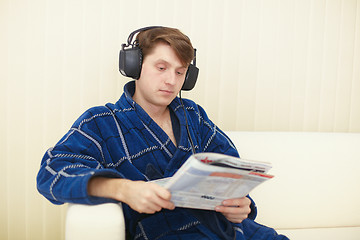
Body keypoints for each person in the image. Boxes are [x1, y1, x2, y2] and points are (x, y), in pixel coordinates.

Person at [37, 26, 288, 240]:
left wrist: (240, 205)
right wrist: (123, 189)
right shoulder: (100, 121)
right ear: (134, 65)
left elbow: (232, 171)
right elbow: (51, 172)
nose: (171, 80)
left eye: (180, 72)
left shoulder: (194, 115)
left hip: (233, 230)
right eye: (161, 68)